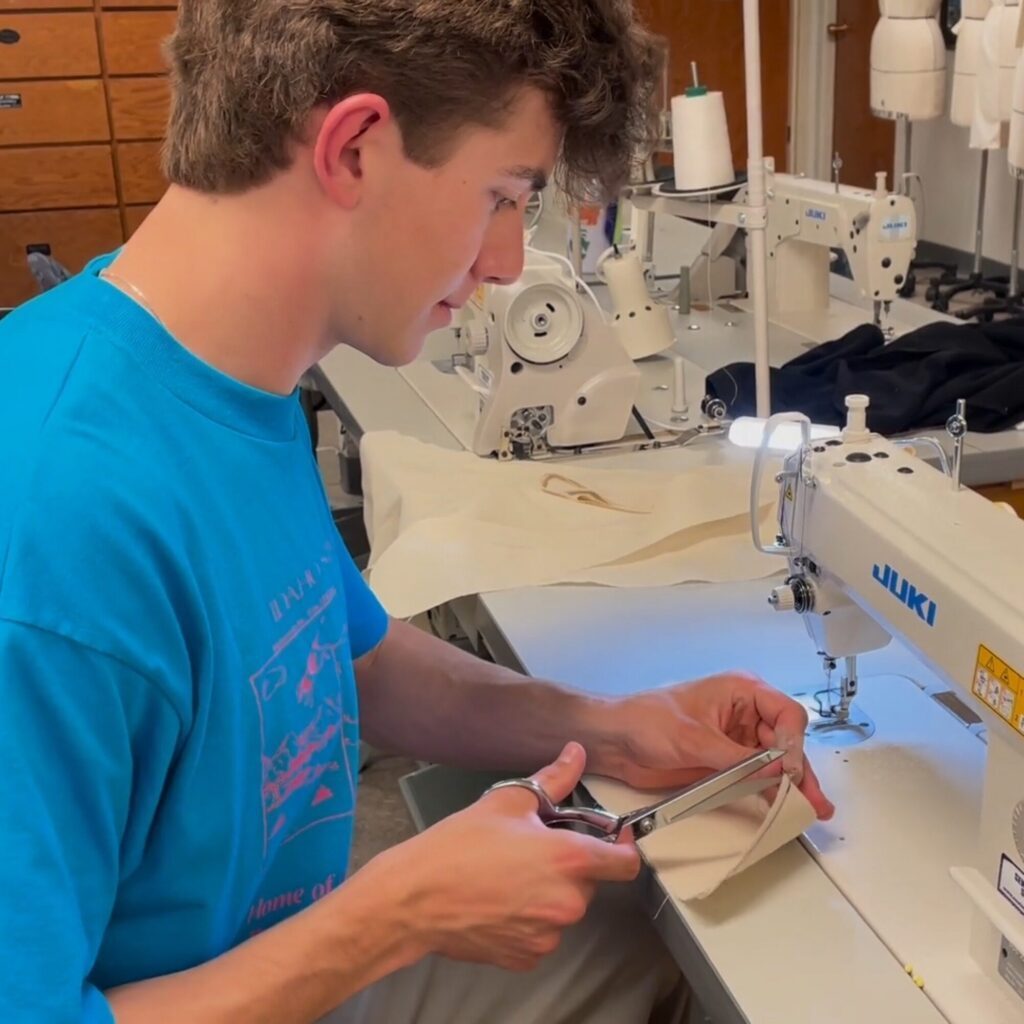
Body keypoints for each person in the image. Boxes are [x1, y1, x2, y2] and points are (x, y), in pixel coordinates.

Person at [0, 2, 834, 1021]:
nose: (505, 263)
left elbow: (343, 656)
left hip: (266, 963)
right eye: (502, 196)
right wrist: (389, 919)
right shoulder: (53, 529)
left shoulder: (230, 383)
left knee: (674, 928)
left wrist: (612, 730)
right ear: (353, 148)